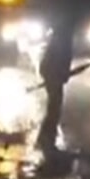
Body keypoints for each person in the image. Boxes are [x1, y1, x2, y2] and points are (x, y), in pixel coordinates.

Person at [36, 12, 78, 153]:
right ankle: (46, 138)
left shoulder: (61, 38)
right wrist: (57, 75)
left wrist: (62, 74)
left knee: (54, 107)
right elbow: (56, 60)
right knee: (54, 107)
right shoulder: (62, 39)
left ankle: (46, 137)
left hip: (53, 75)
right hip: (53, 75)